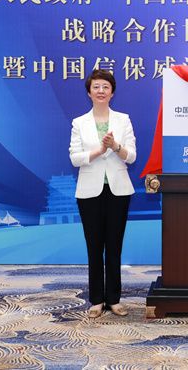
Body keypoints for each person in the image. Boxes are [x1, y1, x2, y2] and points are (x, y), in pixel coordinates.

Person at [69, 69, 137, 318]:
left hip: (118, 190)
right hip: (89, 191)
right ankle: (97, 300)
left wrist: (115, 146)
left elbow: (132, 156)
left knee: (114, 246)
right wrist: (99, 150)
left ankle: (114, 299)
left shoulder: (123, 120)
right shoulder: (79, 122)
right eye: (96, 87)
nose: (101, 91)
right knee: (94, 246)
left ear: (112, 92)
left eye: (105, 87)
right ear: (89, 92)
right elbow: (75, 158)